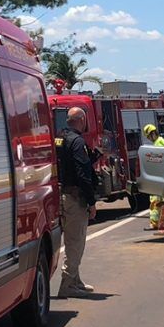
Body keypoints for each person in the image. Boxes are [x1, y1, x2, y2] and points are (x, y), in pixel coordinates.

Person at [56, 107, 98, 298]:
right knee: (75, 242)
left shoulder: (61, 138)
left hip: (62, 195)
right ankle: (68, 284)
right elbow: (82, 174)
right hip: (75, 198)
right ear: (81, 120)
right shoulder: (77, 141)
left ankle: (75, 280)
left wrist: (94, 156)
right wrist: (91, 202)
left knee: (73, 240)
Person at [144, 124, 164, 231]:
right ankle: (163, 223)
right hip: (163, 176)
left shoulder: (158, 143)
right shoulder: (161, 141)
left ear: (151, 134)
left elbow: (158, 160)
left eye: (148, 137)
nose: (149, 139)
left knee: (155, 201)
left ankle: (154, 223)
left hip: (158, 176)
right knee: (160, 201)